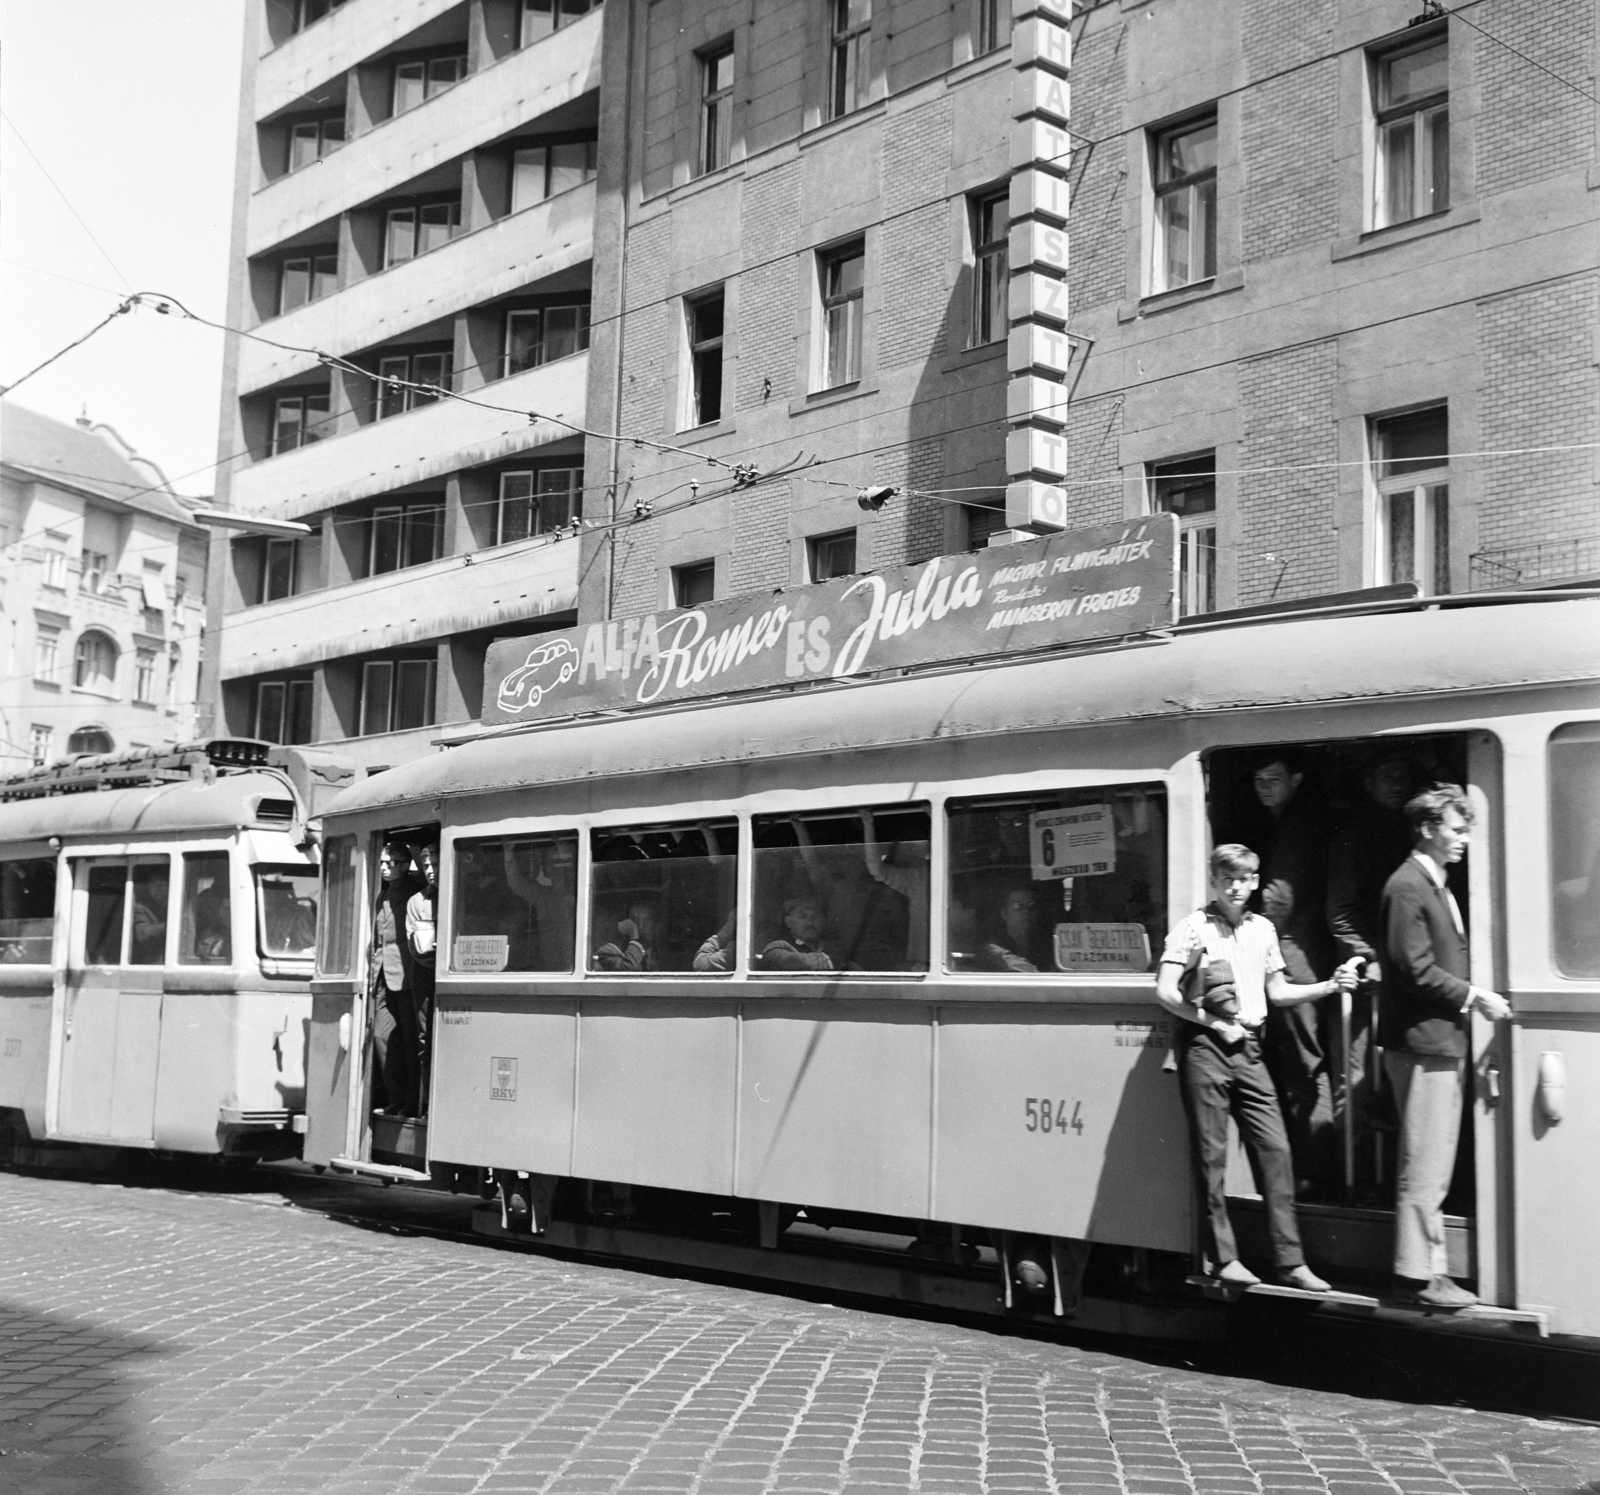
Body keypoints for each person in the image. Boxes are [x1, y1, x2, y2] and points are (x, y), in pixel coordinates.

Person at [1156, 844, 1360, 1291]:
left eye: (1245, 878)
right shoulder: (1192, 928)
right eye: (1227, 877)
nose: (1235, 886)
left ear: (1254, 882)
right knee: (1212, 1157)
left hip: (1249, 1048)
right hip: (1206, 1048)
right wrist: (1213, 1023)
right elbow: (1167, 992)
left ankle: (1291, 1262)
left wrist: (1329, 985)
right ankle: (1223, 1259)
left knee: (1277, 1150)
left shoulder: (1263, 929)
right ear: (1214, 880)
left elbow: (1279, 992)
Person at [1380, 784, 1510, 1310]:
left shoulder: (1431, 882)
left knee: (1432, 1163)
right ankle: (1414, 1279)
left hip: (1436, 1041)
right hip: (1423, 1042)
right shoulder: (1409, 885)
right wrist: (1474, 996)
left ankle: (1427, 1271)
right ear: (1429, 828)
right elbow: (1413, 968)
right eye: (1458, 830)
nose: (1464, 841)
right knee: (1424, 1165)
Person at [1325, 753, 1419, 1190]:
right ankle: (1357, 1182)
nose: (1398, 783)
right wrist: (1372, 956)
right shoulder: (1355, 835)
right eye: (1388, 773)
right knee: (1359, 1080)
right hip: (1367, 978)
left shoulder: (1405, 829)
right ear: (1367, 781)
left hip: (1399, 974)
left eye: (1404, 777)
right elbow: (1340, 912)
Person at [1249, 754, 1338, 1198]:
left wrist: (1251, 940)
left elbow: (1279, 898)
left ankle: (1316, 1175)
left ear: (1296, 780)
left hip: (1294, 960)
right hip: (1304, 956)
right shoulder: (1300, 819)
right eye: (1259, 780)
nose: (1265, 787)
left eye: (1274, 779)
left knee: (1305, 1068)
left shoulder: (1297, 824)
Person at [371, 840, 418, 1117]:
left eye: (392, 863)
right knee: (382, 1035)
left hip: (407, 975)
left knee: (411, 1042)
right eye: (383, 863)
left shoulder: (415, 892)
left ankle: (410, 1103)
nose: (386, 868)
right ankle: (396, 1097)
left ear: (404, 865)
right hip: (381, 977)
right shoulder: (382, 895)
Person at [861, 809, 930, 969]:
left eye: (919, 844)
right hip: (902, 960)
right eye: (908, 844)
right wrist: (868, 824)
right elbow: (875, 867)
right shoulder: (914, 879)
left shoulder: (926, 875)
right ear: (896, 849)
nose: (913, 850)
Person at [406, 844, 439, 1116]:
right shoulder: (417, 902)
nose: (430, 870)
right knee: (426, 1040)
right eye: (426, 865)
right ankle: (426, 1105)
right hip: (426, 977)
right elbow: (419, 950)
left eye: (435, 864)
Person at [758, 894, 836, 971]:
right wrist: (829, 960)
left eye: (815, 916)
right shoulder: (780, 946)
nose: (810, 922)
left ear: (824, 921)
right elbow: (778, 959)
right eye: (802, 917)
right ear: (789, 922)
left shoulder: (834, 946)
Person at [976, 886, 1041, 973]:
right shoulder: (992, 949)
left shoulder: (1043, 945)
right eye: (1018, 906)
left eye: (1032, 906)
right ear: (1004, 914)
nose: (1026, 911)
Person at [593, 897, 660, 971]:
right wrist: (635, 938)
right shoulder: (610, 952)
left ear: (656, 923)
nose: (641, 926)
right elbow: (630, 968)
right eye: (635, 920)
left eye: (647, 920)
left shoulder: (663, 952)